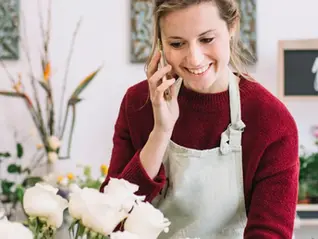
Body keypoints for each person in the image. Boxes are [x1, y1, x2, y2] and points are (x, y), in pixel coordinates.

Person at [100, 0, 299, 238]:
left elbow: (270, 234)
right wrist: (161, 132)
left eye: (206, 39)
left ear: (232, 26)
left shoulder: (272, 120)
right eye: (177, 43)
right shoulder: (139, 103)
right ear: (161, 42)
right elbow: (110, 217)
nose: (194, 59)